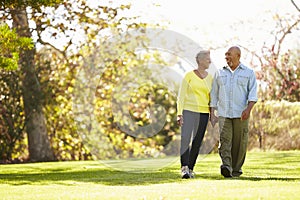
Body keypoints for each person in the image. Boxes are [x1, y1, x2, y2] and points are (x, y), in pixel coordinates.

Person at [210, 46, 258, 178]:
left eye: (229, 54)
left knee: (240, 142)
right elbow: (213, 94)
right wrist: (212, 112)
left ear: (238, 56)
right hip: (224, 114)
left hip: (241, 114)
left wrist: (248, 109)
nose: (226, 57)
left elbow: (252, 94)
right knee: (225, 141)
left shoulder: (248, 73)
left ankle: (236, 169)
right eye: (225, 55)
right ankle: (226, 166)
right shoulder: (219, 73)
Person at [177, 50, 213, 179]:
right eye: (208, 59)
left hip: (203, 113)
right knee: (185, 139)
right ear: (200, 60)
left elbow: (211, 98)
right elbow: (181, 96)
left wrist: (212, 114)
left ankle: (191, 168)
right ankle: (184, 167)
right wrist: (179, 114)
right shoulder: (189, 76)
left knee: (197, 141)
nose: (210, 61)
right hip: (188, 111)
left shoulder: (210, 78)